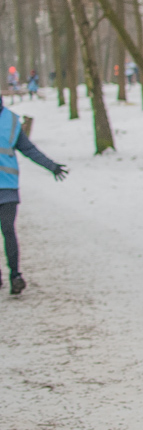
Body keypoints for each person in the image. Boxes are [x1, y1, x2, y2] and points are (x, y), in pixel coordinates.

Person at [0, 95, 69, 295]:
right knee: (8, 230)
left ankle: (15, 275)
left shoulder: (11, 121)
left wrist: (51, 166)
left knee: (8, 230)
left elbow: (28, 149)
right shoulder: (11, 120)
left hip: (7, 188)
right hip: (9, 187)